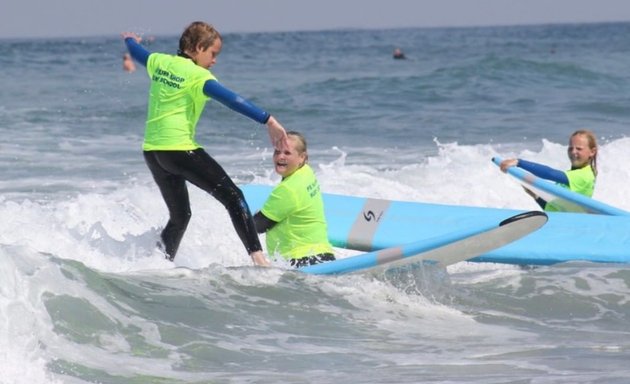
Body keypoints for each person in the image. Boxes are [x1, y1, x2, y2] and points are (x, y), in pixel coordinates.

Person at [121, 21, 289, 266]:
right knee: (234, 197)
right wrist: (268, 120)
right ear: (199, 48)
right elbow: (232, 100)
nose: (214, 60)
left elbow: (138, 54)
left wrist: (129, 40)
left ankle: (155, 264)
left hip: (154, 153)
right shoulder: (198, 76)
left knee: (180, 216)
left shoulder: (159, 62)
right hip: (179, 150)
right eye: (213, 54)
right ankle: (260, 261)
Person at [253, 131, 335, 268]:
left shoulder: (288, 190)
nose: (280, 157)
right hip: (322, 256)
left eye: (287, 153)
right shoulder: (306, 172)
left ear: (302, 157)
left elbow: (258, 226)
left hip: (300, 261)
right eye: (277, 152)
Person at [499, 129, 598, 212]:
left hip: (569, 227)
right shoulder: (571, 177)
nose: (573, 152)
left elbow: (551, 174)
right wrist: (536, 196)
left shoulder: (585, 175)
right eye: (570, 148)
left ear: (592, 152)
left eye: (579, 149)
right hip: (560, 224)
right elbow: (553, 209)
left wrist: (519, 162)